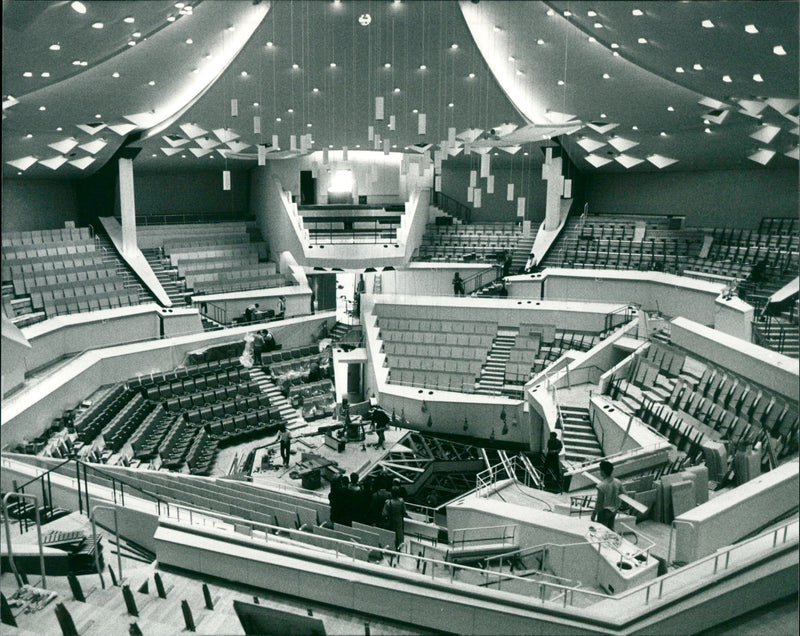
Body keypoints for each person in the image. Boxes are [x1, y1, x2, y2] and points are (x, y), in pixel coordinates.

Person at [591, 460, 626, 531]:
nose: (599, 471)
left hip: (604, 512)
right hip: (614, 511)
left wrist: (594, 514)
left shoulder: (601, 486)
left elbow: (599, 503)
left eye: (600, 470)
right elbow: (624, 494)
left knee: (602, 531)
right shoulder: (617, 481)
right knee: (611, 528)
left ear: (603, 471)